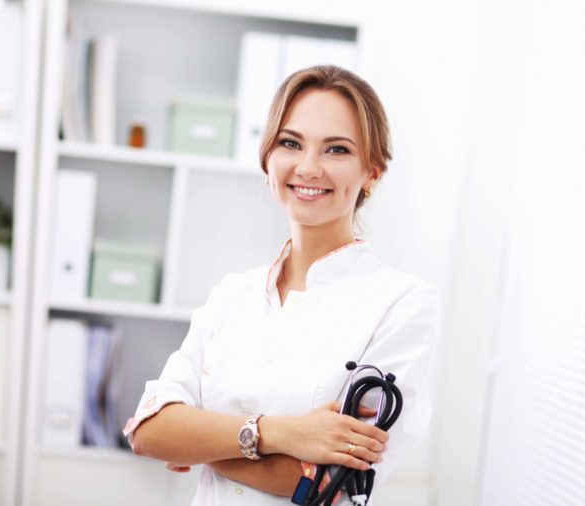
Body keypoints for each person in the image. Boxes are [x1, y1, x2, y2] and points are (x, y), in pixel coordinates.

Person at [123, 65, 438, 505]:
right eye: (290, 143)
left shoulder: (401, 305)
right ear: (267, 158)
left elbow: (329, 486)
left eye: (337, 149)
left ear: (373, 171)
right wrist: (281, 433)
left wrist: (201, 441)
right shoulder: (233, 296)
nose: (308, 167)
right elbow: (148, 432)